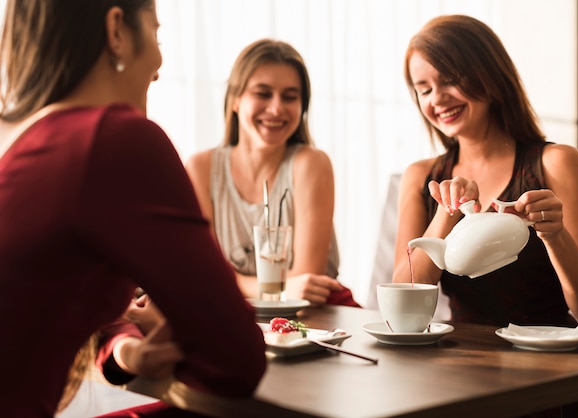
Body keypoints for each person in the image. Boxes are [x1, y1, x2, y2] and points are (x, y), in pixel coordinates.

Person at [0, 1, 266, 417]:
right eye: (156, 34)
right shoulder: (113, 140)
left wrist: (129, 347)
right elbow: (235, 359)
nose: (159, 66)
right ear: (117, 30)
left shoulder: (23, 140)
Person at [393, 14, 578, 417]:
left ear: (489, 74)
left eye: (449, 79)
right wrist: (447, 213)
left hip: (548, 375)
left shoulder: (556, 163)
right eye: (423, 88)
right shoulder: (421, 177)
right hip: (456, 373)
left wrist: (555, 235)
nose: (437, 98)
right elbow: (402, 306)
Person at [185, 39, 359, 307]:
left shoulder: (311, 163)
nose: (277, 108)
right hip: (233, 311)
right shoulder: (201, 168)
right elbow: (203, 274)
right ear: (235, 99)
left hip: (315, 317)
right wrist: (280, 287)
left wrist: (234, 283)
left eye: (290, 97)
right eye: (263, 93)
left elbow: (306, 280)